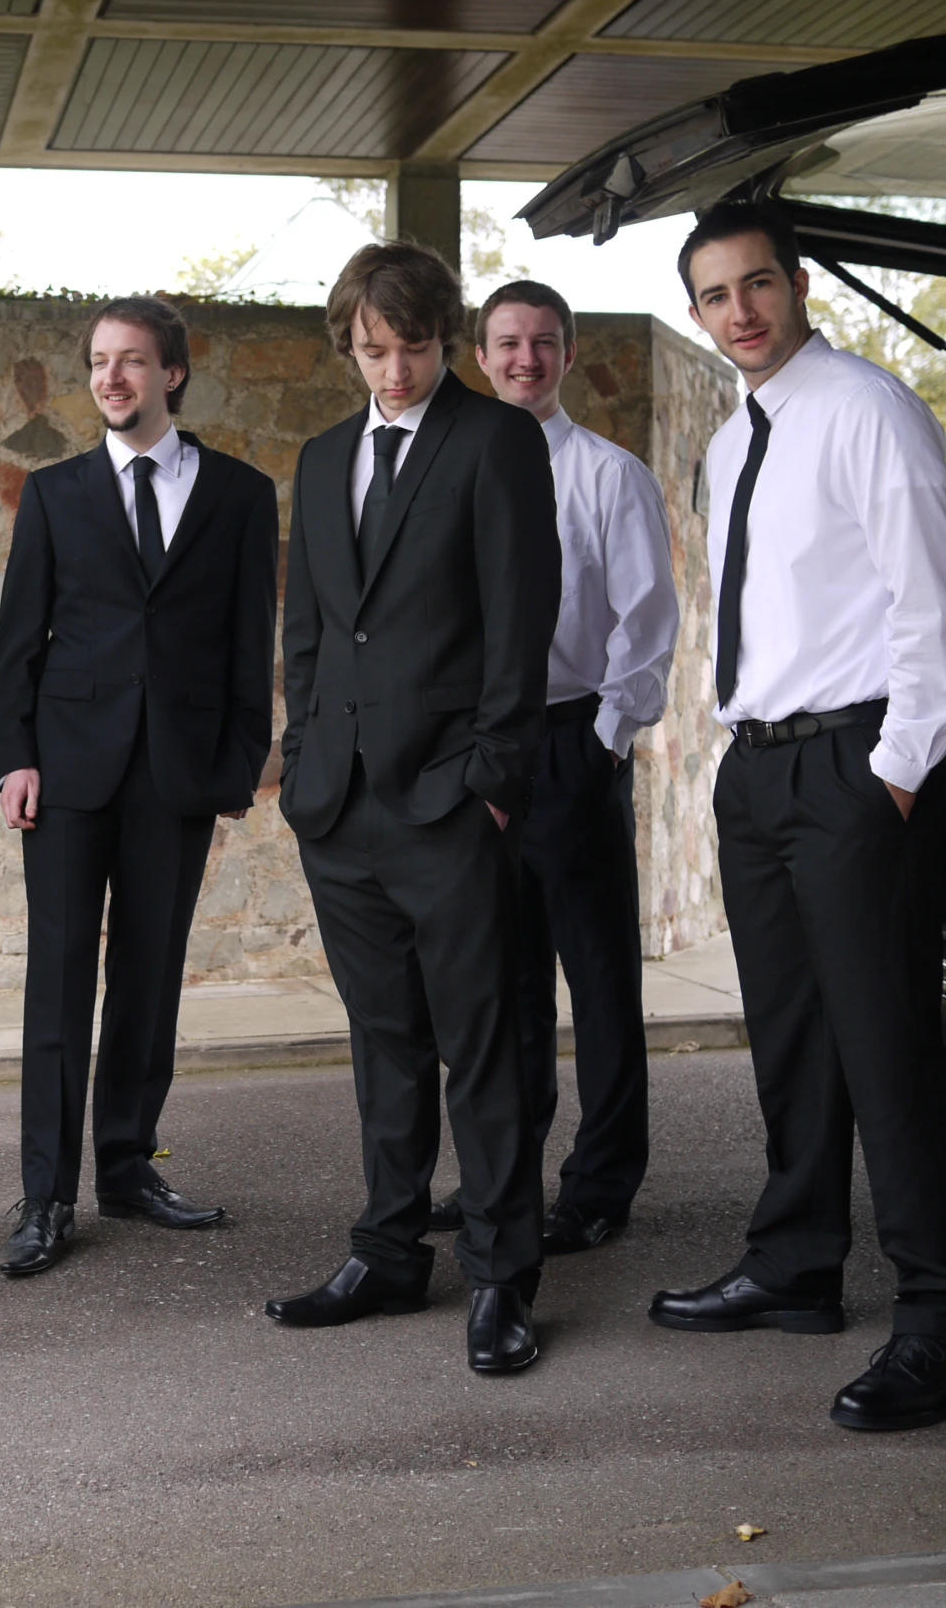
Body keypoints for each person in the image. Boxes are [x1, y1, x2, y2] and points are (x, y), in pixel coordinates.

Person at [651, 199, 946, 1432]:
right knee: (792, 1039)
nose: (736, 312)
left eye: (754, 286)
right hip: (758, 771)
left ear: (797, 287)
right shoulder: (737, 436)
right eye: (711, 296)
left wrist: (892, 773)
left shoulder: (867, 411)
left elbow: (927, 611)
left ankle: (942, 1321)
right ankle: (794, 1267)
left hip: (854, 768)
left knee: (884, 1048)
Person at [262, 242, 558, 1375]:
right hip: (337, 805)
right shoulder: (323, 452)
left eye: (415, 349)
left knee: (480, 1048)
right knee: (383, 1041)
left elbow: (517, 627)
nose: (392, 373)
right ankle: (388, 1253)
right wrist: (300, 761)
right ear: (348, 343)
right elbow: (312, 629)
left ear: (447, 338)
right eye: (372, 351)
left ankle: (500, 1278)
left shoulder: (497, 444)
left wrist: (486, 785)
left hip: (448, 802)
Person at [0, 297, 278, 1276]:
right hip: (67, 770)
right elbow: (16, 644)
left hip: (179, 772)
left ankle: (126, 1166)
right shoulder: (54, 492)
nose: (111, 378)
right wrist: (12, 757)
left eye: (132, 362)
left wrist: (239, 762)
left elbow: (250, 640)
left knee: (149, 980)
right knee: (58, 984)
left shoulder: (238, 495)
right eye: (100, 363)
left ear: (172, 374)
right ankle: (43, 1196)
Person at [424, 281, 679, 1254]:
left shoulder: (608, 476)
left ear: (567, 356)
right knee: (503, 983)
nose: (523, 359)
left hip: (571, 741)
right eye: (505, 344)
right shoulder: (456, 469)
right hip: (479, 751)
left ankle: (602, 1185)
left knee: (599, 980)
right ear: (479, 357)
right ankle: (503, 1178)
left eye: (541, 343)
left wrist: (604, 739)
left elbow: (644, 622)